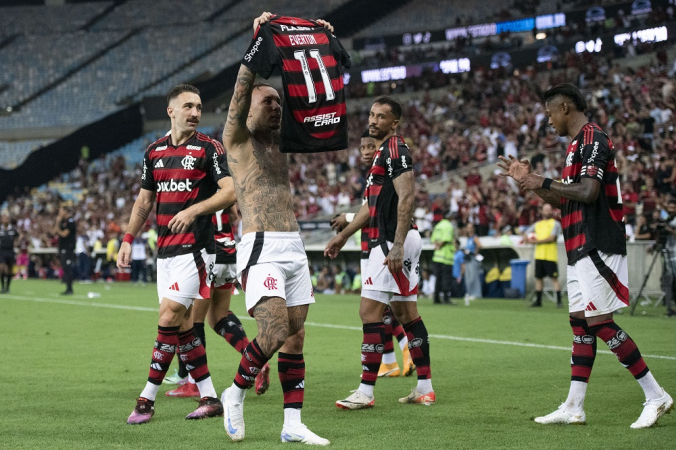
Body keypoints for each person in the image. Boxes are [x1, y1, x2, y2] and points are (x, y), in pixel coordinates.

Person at [498, 83, 672, 428]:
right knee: (581, 323)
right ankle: (574, 406)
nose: (548, 121)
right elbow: (567, 198)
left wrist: (540, 179)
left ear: (564, 108)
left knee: (599, 322)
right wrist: (529, 183)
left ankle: (656, 395)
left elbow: (590, 192)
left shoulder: (594, 138)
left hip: (597, 241)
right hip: (577, 242)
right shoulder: (576, 146)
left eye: (549, 114)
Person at [218, 12, 332, 445]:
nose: (277, 106)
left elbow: (313, 95)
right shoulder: (238, 140)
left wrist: (318, 42)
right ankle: (235, 392)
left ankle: (292, 424)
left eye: (278, 103)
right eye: (269, 102)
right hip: (261, 244)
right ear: (249, 108)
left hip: (294, 244)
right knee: (275, 329)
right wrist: (258, 38)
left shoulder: (282, 140)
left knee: (296, 336)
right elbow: (243, 84)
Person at [119, 84, 236, 425]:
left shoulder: (209, 149)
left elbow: (229, 191)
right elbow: (144, 202)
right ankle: (211, 398)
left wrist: (195, 210)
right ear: (171, 111)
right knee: (183, 328)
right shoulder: (154, 151)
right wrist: (128, 238)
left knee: (168, 316)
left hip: (197, 249)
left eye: (198, 106)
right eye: (188, 106)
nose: (195, 112)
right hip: (166, 252)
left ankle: (146, 400)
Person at [326, 95, 434, 410]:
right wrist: (344, 235)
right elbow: (368, 207)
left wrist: (397, 244)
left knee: (369, 312)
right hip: (396, 238)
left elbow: (407, 195)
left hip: (389, 240)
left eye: (381, 116)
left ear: (394, 122)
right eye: (372, 115)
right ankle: (425, 387)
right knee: (406, 315)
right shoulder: (382, 153)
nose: (373, 120)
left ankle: (365, 392)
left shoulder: (396, 149)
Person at [331, 130, 415, 379]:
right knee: (381, 309)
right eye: (362, 148)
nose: (366, 151)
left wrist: (346, 221)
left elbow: (378, 209)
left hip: (383, 244)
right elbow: (371, 207)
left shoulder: (390, 164)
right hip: (370, 245)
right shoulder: (372, 173)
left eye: (370, 146)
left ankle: (406, 349)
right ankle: (389, 363)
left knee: (385, 308)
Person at [165, 205, 270, 397]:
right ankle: (256, 359)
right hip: (229, 254)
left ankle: (194, 383)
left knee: (193, 321)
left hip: (208, 252)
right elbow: (233, 215)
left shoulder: (199, 185)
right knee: (218, 317)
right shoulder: (224, 187)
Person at [523, 203, 563, 307]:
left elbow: (552, 238)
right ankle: (538, 301)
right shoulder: (538, 224)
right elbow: (526, 233)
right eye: (546, 209)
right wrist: (526, 238)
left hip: (550, 255)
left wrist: (535, 241)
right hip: (539, 255)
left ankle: (559, 301)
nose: (548, 212)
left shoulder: (555, 223)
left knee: (554, 278)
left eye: (549, 209)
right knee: (539, 278)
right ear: (542, 211)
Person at [430, 210, 455, 304]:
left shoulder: (438, 226)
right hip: (446, 256)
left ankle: (436, 298)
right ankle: (446, 298)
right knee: (446, 279)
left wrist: (437, 246)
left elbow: (433, 239)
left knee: (438, 279)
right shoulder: (448, 226)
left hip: (437, 256)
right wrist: (440, 245)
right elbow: (446, 239)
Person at [53, 205, 76, 295]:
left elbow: (64, 234)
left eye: (61, 211)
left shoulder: (70, 221)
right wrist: (57, 223)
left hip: (68, 248)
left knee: (68, 268)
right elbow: (54, 232)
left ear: (66, 212)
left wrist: (58, 228)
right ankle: (68, 288)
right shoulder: (62, 222)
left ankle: (70, 289)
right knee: (65, 268)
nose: (59, 213)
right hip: (62, 248)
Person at [463, 223, 482, 302]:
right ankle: (470, 293)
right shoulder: (468, 238)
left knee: (473, 277)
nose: (469, 229)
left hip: (472, 258)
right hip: (467, 259)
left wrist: (476, 253)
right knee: (468, 277)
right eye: (468, 227)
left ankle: (476, 294)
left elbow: (479, 245)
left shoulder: (474, 237)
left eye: (470, 227)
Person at [0, 213, 19, 293]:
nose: (6, 220)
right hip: (2, 251)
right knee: (2, 268)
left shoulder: (13, 229)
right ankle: (3, 287)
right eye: (4, 218)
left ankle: (7, 288)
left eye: (7, 218)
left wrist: (16, 244)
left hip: (10, 251)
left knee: (9, 270)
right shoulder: (0, 229)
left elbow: (18, 237)